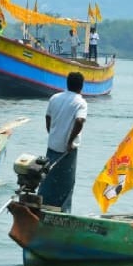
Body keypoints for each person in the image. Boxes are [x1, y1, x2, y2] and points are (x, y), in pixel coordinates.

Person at [37, 71, 87, 213]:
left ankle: (43, 205)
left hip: (52, 145)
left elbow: (48, 117)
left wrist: (51, 132)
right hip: (67, 150)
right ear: (81, 86)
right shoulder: (81, 102)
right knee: (66, 184)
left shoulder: (55, 98)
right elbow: (79, 121)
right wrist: (70, 141)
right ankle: (62, 212)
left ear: (67, 83)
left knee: (48, 178)